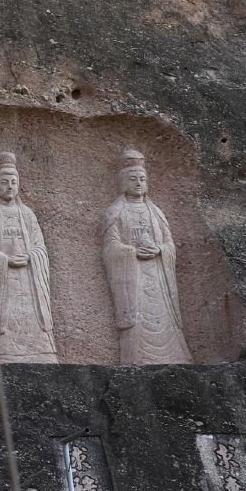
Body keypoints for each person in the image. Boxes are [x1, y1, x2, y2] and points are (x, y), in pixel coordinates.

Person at [101, 148, 191, 364]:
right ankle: (134, 358)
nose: (138, 183)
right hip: (133, 278)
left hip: (158, 276)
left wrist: (160, 250)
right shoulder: (115, 212)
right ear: (123, 182)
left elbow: (169, 243)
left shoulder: (156, 213)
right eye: (133, 179)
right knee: (137, 318)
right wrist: (132, 252)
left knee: (165, 317)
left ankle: (177, 357)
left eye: (142, 179)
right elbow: (110, 246)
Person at [0, 151, 56, 363]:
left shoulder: (27, 214)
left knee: (31, 317)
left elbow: (40, 246)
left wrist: (30, 257)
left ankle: (41, 353)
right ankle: (2, 353)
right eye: (4, 182)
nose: (9, 186)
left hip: (28, 279)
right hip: (2, 278)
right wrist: (4, 259)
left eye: (13, 182)